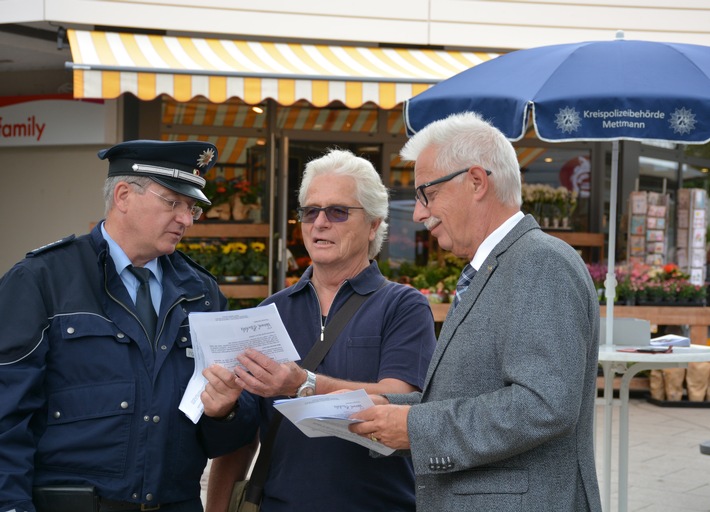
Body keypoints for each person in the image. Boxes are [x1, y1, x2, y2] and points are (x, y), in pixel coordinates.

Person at [350, 112, 603, 511]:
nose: (418, 214)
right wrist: (391, 413)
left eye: (426, 194)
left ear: (476, 181)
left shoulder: (540, 262)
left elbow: (544, 405)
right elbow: (474, 394)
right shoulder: (502, 265)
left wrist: (415, 428)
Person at [0, 140, 251, 512]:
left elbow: (221, 439)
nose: (185, 218)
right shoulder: (41, 281)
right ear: (123, 195)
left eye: (192, 207)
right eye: (173, 202)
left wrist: (226, 412)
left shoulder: (202, 293)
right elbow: (7, 418)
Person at [206, 148, 437, 512]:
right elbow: (242, 441)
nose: (320, 223)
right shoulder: (270, 311)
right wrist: (223, 408)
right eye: (310, 211)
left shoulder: (403, 306)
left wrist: (304, 385)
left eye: (338, 211)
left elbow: (397, 399)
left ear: (374, 224)